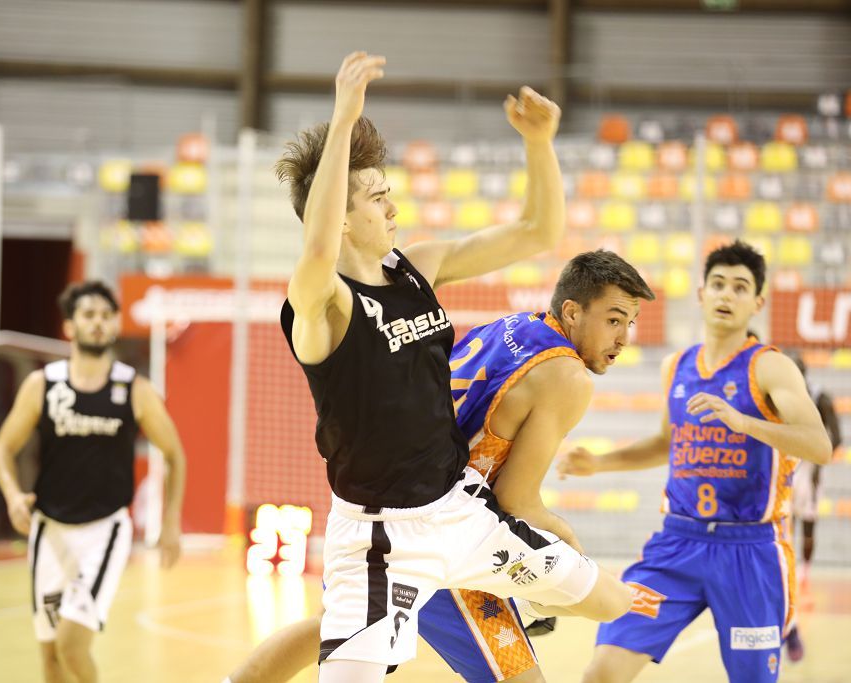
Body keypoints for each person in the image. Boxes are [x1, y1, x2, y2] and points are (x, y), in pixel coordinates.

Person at [271, 51, 630, 682]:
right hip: (380, 540)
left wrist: (540, 145)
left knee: (614, 601)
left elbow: (536, 232)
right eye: (378, 198)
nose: (393, 209)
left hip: (461, 512)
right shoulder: (320, 304)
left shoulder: (417, 268)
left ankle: (526, 591)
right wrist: (344, 115)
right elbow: (318, 246)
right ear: (343, 219)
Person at [228, 250, 655, 683]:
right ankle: (530, 598)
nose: (623, 338)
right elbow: (516, 501)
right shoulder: (568, 377)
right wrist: (566, 543)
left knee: (327, 631)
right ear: (572, 311)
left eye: (630, 323)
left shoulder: (512, 325)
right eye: (614, 320)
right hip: (450, 523)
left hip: (387, 502)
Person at [557, 240, 833, 683]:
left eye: (740, 287)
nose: (727, 294)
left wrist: (744, 422)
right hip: (677, 545)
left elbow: (818, 445)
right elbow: (668, 443)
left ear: (758, 302)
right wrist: (599, 464)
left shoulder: (771, 368)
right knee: (602, 672)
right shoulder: (676, 366)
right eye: (718, 284)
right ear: (702, 294)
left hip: (751, 551)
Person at [0, 281, 186, 683]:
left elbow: (174, 454)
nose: (97, 322)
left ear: (114, 325)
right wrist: (12, 496)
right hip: (49, 531)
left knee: (71, 644)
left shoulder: (135, 389)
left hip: (103, 531)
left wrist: (171, 521)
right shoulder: (43, 384)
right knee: (50, 658)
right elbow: (1, 449)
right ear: (69, 326)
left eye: (105, 315)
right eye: (88, 315)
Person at [784, 353, 842, 662]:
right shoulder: (778, 395)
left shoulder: (819, 396)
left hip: (808, 468)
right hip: (785, 465)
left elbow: (836, 437)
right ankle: (789, 570)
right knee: (783, 522)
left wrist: (818, 451)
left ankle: (804, 572)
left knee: (807, 522)